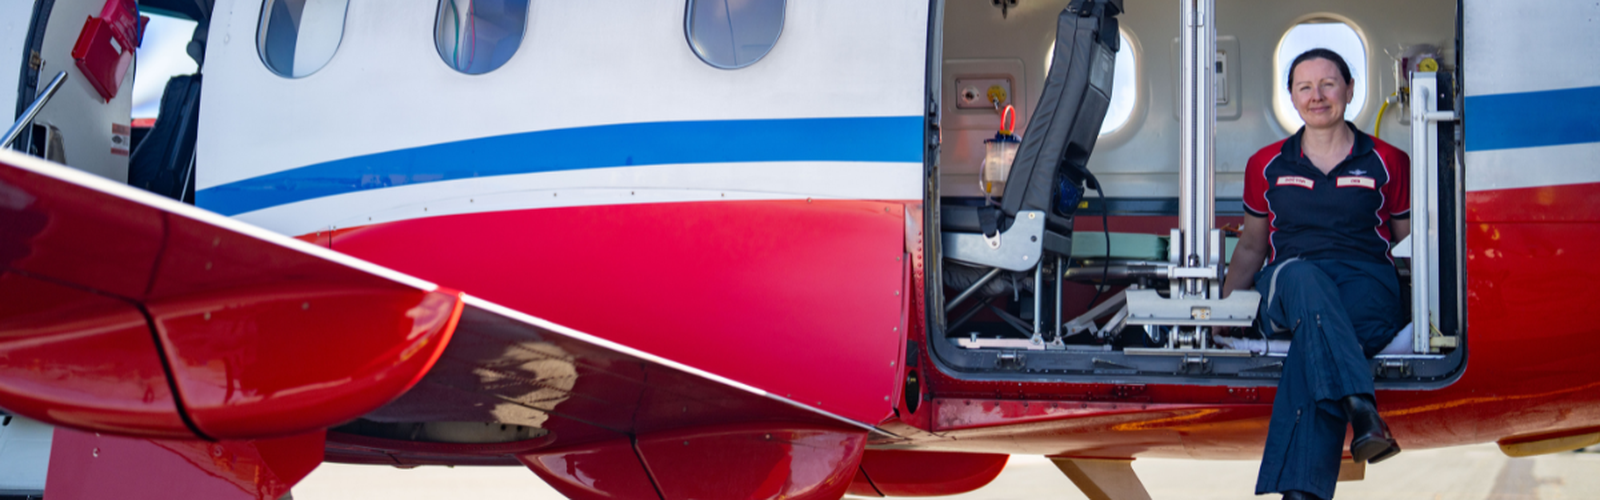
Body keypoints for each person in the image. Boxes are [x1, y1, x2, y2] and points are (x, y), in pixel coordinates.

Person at [1220, 48, 1411, 500]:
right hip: (1289, 280)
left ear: (1349, 89)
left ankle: (1301, 494)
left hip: (1366, 282)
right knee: (1306, 280)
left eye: (1328, 84)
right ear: (1291, 96)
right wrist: (1225, 310)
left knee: (1316, 343)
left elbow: (1405, 249)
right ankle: (1362, 408)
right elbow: (1251, 246)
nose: (1317, 96)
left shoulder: (1388, 160)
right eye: (1305, 87)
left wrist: (1421, 315)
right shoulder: (1266, 164)